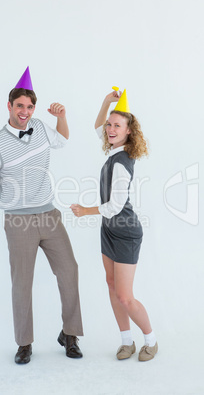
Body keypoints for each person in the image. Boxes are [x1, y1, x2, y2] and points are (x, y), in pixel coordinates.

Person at [0, 67, 83, 364]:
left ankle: (70, 335)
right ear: (9, 106)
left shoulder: (39, 126)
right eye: (20, 106)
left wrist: (61, 116)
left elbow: (62, 140)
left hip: (49, 215)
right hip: (18, 221)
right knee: (22, 282)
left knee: (69, 271)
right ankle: (24, 343)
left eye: (29, 106)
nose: (25, 111)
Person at [71, 89, 158, 362]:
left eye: (116, 125)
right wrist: (106, 103)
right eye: (110, 124)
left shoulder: (121, 162)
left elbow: (115, 206)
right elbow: (98, 127)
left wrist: (85, 210)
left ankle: (151, 341)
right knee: (111, 285)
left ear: (128, 131)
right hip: (109, 230)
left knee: (125, 296)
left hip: (126, 232)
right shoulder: (114, 149)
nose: (109, 129)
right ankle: (126, 341)